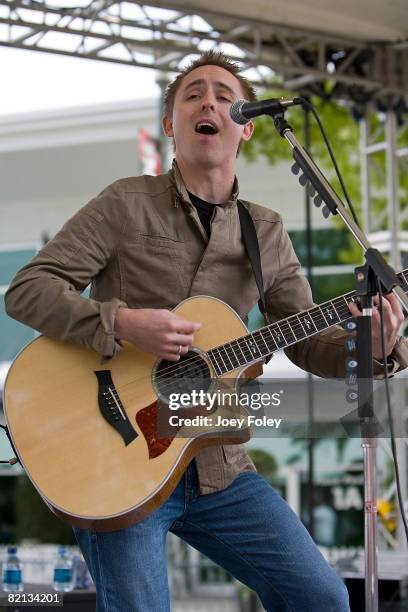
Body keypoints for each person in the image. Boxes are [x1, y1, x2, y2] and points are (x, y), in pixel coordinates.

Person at [5, 51, 407, 612]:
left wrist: (376, 346)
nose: (209, 101)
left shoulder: (265, 230)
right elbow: (27, 289)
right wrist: (121, 322)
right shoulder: (125, 203)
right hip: (116, 458)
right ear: (171, 124)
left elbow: (308, 339)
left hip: (219, 470)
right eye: (193, 93)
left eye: (223, 93)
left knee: (321, 598)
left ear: (245, 125)